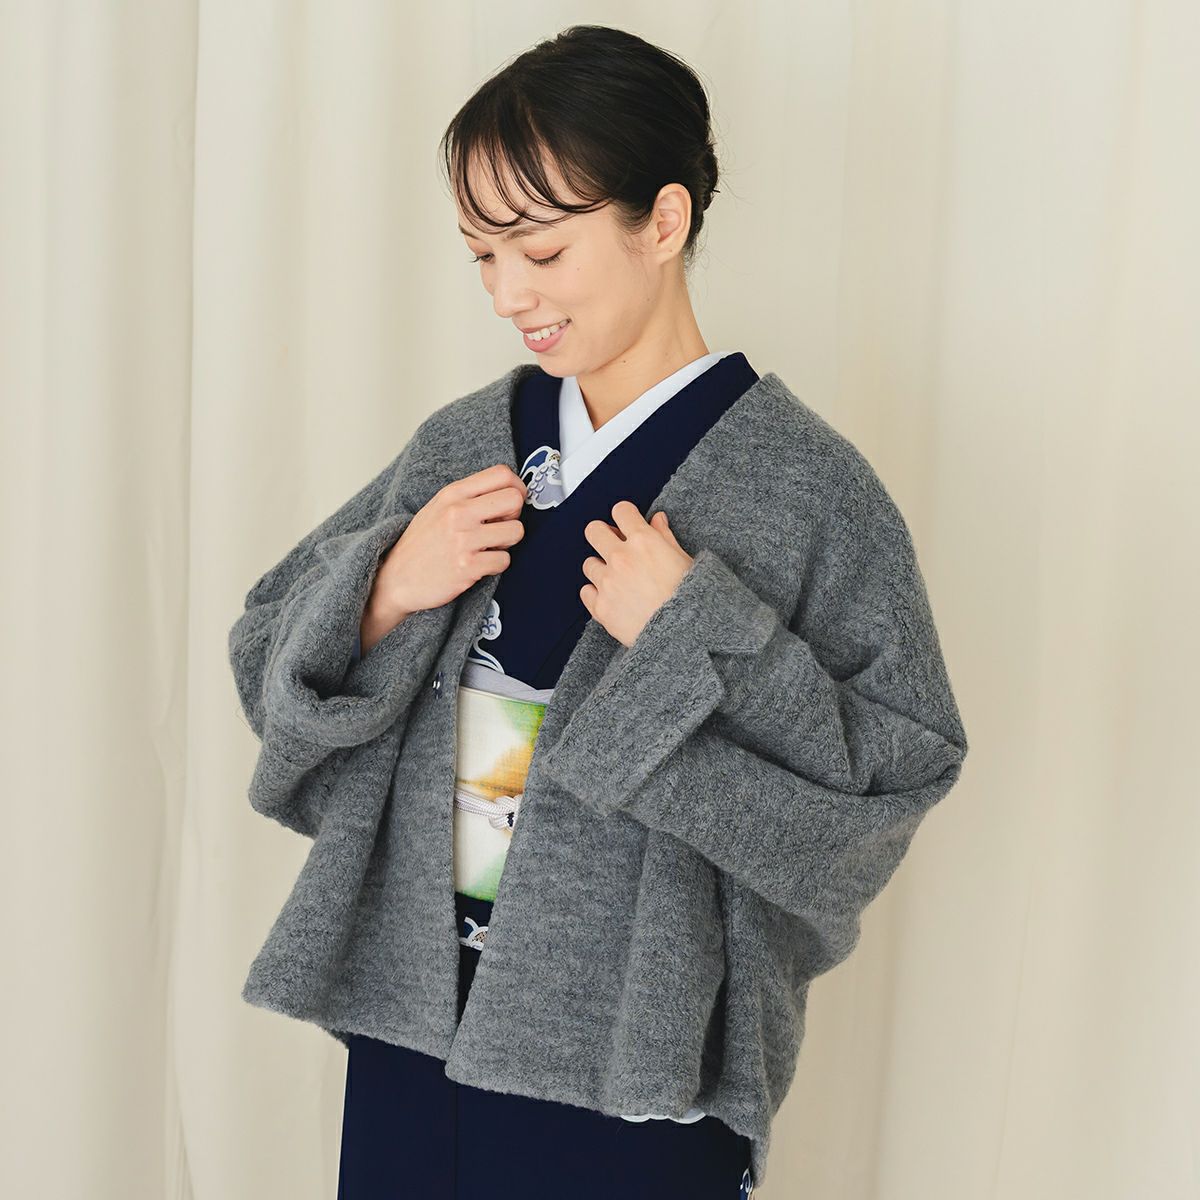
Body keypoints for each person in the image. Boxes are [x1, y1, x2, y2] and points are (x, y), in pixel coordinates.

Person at [230, 24, 967, 1200]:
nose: (508, 294)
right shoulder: (470, 441)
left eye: (542, 249)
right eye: (483, 255)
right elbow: (264, 650)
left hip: (635, 1053)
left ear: (661, 223)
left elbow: (891, 782)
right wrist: (384, 587)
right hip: (415, 1026)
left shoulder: (808, 487)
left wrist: (705, 632)